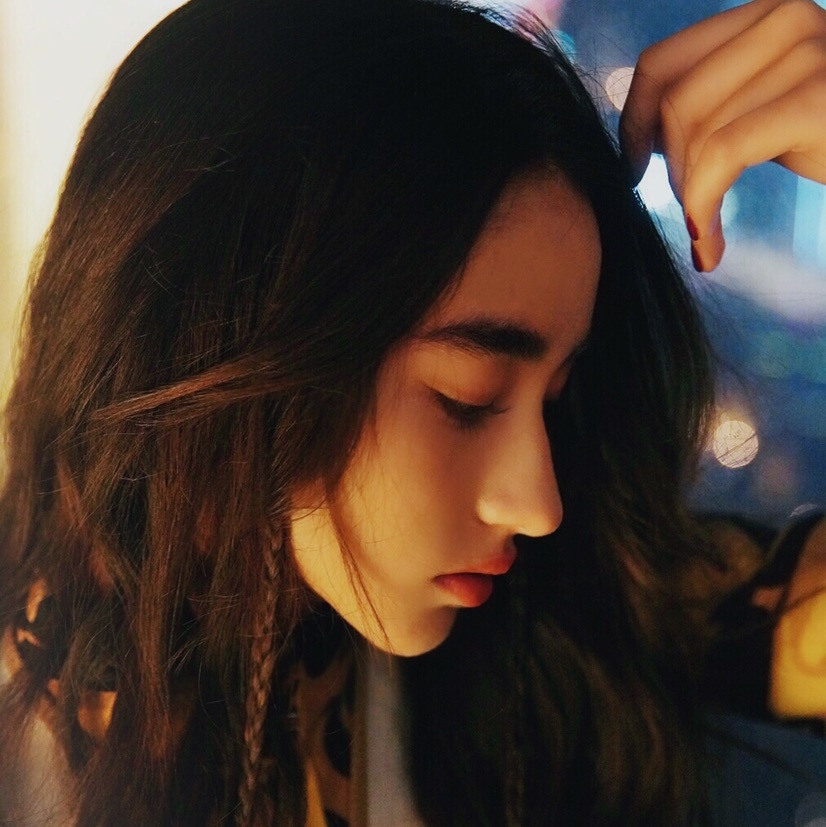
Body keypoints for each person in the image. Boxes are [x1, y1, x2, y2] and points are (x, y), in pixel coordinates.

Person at [0, 0, 824, 824]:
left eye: (556, 398)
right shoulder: (33, 756)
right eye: (467, 398)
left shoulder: (555, 611)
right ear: (221, 341)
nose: (538, 505)